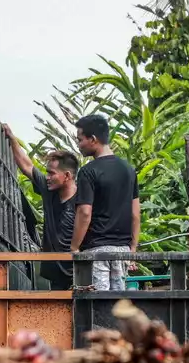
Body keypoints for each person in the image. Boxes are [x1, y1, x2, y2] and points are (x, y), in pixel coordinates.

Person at [4, 125, 79, 291]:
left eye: (52, 173)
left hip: (78, 272)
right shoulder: (48, 190)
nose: (47, 177)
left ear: (67, 176)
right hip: (55, 274)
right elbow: (27, 166)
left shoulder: (82, 200)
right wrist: (11, 138)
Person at [69, 114, 139, 292]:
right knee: (118, 305)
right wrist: (133, 248)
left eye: (80, 140)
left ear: (93, 139)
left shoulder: (88, 172)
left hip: (96, 249)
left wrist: (75, 247)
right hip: (122, 251)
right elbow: (135, 214)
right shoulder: (129, 170)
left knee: (98, 305)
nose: (79, 145)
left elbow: (84, 212)